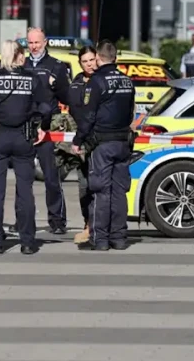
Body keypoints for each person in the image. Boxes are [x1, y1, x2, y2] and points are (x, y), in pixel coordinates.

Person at [0, 40, 52, 255]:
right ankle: (27, 241)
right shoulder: (31, 79)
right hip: (23, 138)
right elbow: (46, 107)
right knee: (25, 191)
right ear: (17, 55)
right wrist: (42, 127)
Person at [73, 40, 136, 251]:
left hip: (102, 144)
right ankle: (119, 238)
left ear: (98, 58)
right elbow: (130, 114)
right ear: (115, 58)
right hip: (123, 143)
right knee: (119, 191)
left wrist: (78, 140)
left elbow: (88, 116)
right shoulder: (128, 81)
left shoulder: (96, 82)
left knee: (101, 191)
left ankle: (100, 239)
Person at [23, 27, 71, 235]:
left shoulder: (57, 67)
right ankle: (23, 219)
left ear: (45, 42)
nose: (33, 46)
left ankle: (57, 220)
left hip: (47, 128)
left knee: (51, 177)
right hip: (24, 125)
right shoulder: (21, 65)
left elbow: (66, 96)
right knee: (23, 178)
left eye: (37, 42)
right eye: (30, 43)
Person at [66, 46, 98, 245]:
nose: (89, 64)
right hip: (83, 141)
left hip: (100, 140)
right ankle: (88, 224)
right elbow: (75, 110)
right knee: (84, 186)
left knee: (100, 186)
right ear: (80, 64)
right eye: (85, 61)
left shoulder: (101, 80)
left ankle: (99, 226)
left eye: (92, 60)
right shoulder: (76, 83)